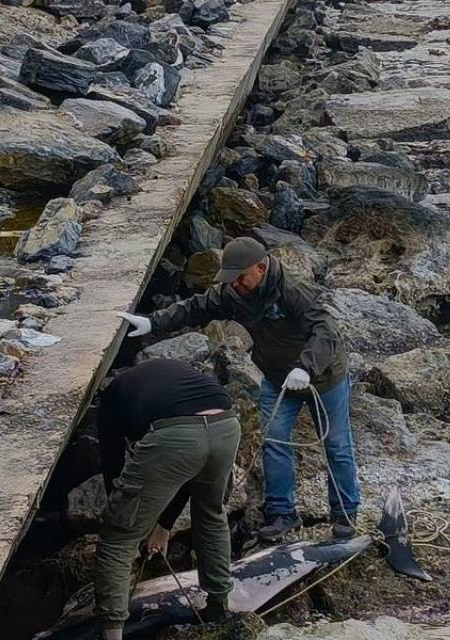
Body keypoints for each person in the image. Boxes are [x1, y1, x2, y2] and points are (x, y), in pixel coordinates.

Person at [118, 237, 361, 542]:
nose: (235, 285)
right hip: (277, 379)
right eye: (230, 279)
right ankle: (282, 513)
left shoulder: (293, 290)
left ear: (261, 268)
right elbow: (198, 307)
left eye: (240, 278)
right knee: (274, 441)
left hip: (324, 379)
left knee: (337, 445)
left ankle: (345, 514)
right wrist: (153, 322)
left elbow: (326, 329)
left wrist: (307, 367)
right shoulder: (234, 293)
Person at [93, 358, 241, 640]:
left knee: (118, 538)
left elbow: (113, 467)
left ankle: (111, 633)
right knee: (211, 516)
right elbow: (187, 475)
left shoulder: (111, 400)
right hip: (226, 425)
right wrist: (162, 525)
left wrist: (132, 520)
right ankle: (218, 607)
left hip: (177, 435)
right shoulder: (167, 376)